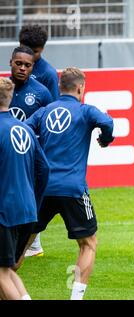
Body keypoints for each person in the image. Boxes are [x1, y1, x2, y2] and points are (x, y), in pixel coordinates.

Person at [24, 67, 114, 300]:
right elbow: (107, 122)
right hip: (73, 189)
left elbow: (23, 131)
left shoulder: (44, 111)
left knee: (23, 243)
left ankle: (7, 284)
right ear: (80, 87)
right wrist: (105, 139)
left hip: (42, 190)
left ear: (60, 87)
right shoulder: (85, 111)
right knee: (88, 243)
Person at [0, 77, 49, 300]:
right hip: (27, 210)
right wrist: (34, 201)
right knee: (6, 270)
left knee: (1, 272)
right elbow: (44, 169)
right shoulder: (25, 129)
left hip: (4, 211)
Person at [19, 25, 59, 258]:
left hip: (36, 142)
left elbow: (52, 111)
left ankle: (34, 243)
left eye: (34, 52)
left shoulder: (48, 74)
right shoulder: (18, 66)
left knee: (33, 190)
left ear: (42, 50)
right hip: (15, 140)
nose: (29, 57)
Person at [8, 46, 53, 122]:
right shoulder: (2, 89)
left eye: (27, 65)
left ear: (32, 66)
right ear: (10, 62)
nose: (22, 68)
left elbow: (48, 123)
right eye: (18, 63)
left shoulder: (42, 93)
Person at [19, 24, 59, 100]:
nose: (29, 55)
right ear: (20, 45)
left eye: (34, 52)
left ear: (42, 48)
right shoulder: (15, 67)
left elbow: (53, 107)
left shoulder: (49, 74)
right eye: (25, 50)